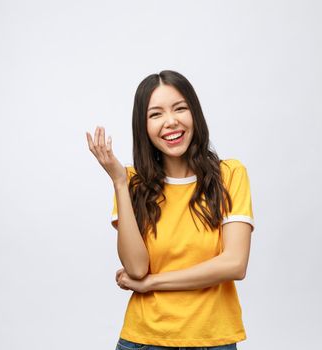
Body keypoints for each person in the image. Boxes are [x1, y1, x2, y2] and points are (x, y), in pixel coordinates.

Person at [86, 70, 254, 350]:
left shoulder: (230, 175)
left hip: (213, 339)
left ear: (194, 114)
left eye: (180, 108)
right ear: (143, 126)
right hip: (144, 340)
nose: (171, 121)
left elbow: (234, 264)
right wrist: (118, 181)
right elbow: (136, 269)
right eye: (156, 114)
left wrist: (152, 284)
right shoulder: (131, 183)